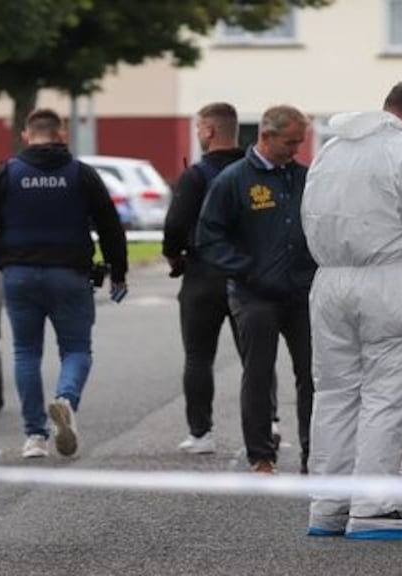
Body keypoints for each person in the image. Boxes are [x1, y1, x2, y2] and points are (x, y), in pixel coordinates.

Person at [301, 79, 402, 540]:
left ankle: (327, 507)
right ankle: (374, 508)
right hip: (391, 281)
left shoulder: (331, 151)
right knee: (387, 393)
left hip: (329, 280)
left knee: (334, 393)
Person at [0, 108, 128, 459]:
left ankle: (35, 437)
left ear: (27, 135)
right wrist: (118, 272)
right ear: (62, 134)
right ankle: (66, 399)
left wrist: (2, 259)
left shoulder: (6, 174)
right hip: (70, 275)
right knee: (77, 350)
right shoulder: (81, 175)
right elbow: (111, 227)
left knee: (26, 352)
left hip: (20, 276)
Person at [195, 105, 316, 475]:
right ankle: (261, 455)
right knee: (259, 374)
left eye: (300, 142)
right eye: (290, 142)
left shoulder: (305, 177)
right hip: (254, 295)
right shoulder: (234, 179)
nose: (296, 150)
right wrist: (245, 269)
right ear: (265, 136)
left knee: (313, 375)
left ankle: (317, 454)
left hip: (302, 293)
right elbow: (209, 237)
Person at [164, 102, 280, 454]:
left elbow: (175, 226)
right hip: (251, 275)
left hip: (202, 276)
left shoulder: (196, 176)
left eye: (199, 127)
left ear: (210, 130)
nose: (199, 133)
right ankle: (270, 422)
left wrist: (175, 256)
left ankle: (201, 434)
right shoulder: (256, 173)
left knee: (199, 356)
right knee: (256, 356)